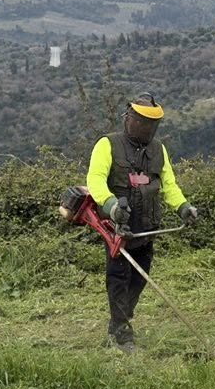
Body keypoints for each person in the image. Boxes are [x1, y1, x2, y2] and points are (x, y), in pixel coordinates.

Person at [85, 93, 199, 351]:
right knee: (118, 276)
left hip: (147, 227)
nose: (146, 128)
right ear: (130, 118)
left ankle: (119, 320)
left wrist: (183, 207)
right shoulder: (108, 145)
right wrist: (111, 205)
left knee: (140, 278)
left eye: (151, 124)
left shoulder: (158, 150)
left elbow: (168, 185)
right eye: (141, 122)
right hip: (119, 227)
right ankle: (122, 333)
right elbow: (95, 181)